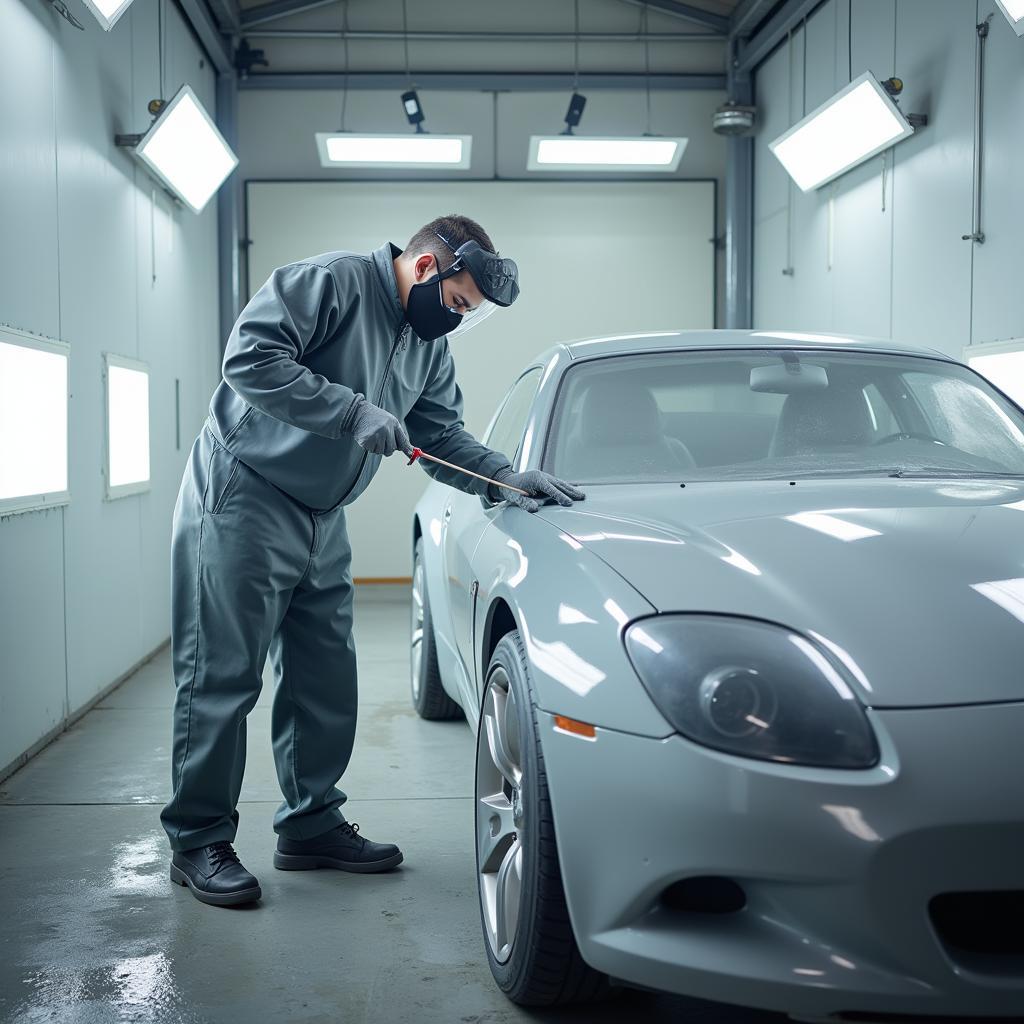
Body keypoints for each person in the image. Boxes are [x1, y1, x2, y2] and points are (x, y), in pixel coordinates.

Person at [159, 214, 585, 907]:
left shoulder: (426, 344)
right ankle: (198, 838)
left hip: (323, 515)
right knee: (221, 675)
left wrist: (508, 479)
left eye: (468, 315)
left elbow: (440, 433)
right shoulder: (329, 282)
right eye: (457, 304)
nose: (456, 321)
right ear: (425, 268)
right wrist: (350, 410)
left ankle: (310, 823)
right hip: (246, 495)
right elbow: (249, 359)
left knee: (323, 677)